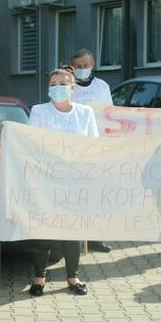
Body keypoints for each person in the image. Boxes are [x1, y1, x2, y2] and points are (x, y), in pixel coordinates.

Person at [27, 67, 99, 296]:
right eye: (53, 84)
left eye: (62, 83)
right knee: (44, 230)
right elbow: (32, 144)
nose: (57, 87)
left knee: (72, 231)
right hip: (47, 181)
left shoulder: (85, 113)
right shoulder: (39, 112)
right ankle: (39, 277)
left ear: (72, 87)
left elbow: (93, 146)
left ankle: (73, 276)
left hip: (76, 182)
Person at [69, 48, 113, 252]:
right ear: (73, 67)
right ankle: (75, 237)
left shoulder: (102, 86)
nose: (82, 69)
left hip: (99, 145)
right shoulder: (67, 86)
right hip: (74, 148)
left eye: (86, 66)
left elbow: (111, 114)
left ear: (92, 64)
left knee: (97, 193)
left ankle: (96, 237)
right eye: (78, 67)